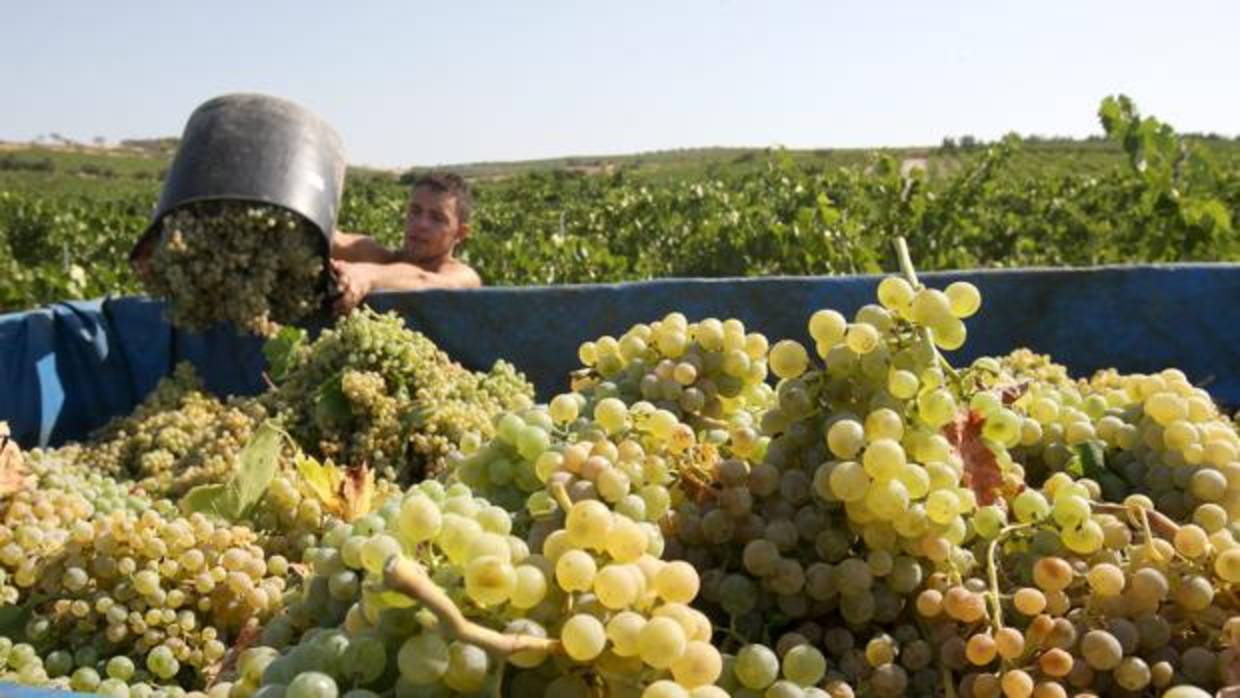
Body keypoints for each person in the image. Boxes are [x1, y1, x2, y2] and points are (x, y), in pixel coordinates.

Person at [330, 171, 482, 314]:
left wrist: (368, 275)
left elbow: (425, 281)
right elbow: (335, 240)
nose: (421, 224)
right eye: (415, 211)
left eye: (437, 218)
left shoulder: (463, 276)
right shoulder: (379, 258)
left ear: (460, 233)